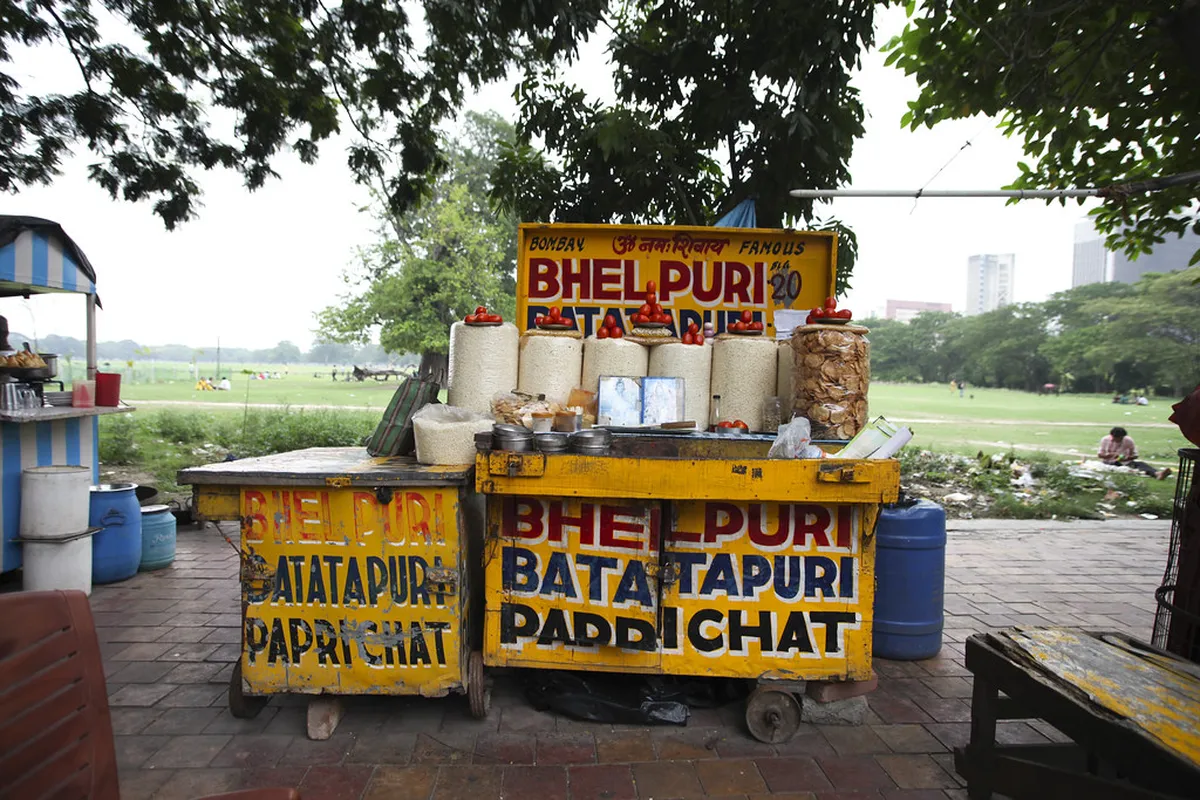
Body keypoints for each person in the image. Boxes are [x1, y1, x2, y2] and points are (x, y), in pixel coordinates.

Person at [1098, 427, 1171, 480]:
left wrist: (1126, 458)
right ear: (1112, 436)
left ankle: (1157, 474)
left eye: (1121, 438)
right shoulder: (1105, 440)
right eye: (1117, 438)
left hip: (1125, 462)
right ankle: (1156, 474)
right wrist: (1111, 455)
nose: (1119, 440)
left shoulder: (1128, 440)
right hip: (1109, 463)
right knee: (1132, 469)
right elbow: (1100, 455)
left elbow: (1135, 455)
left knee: (1141, 464)